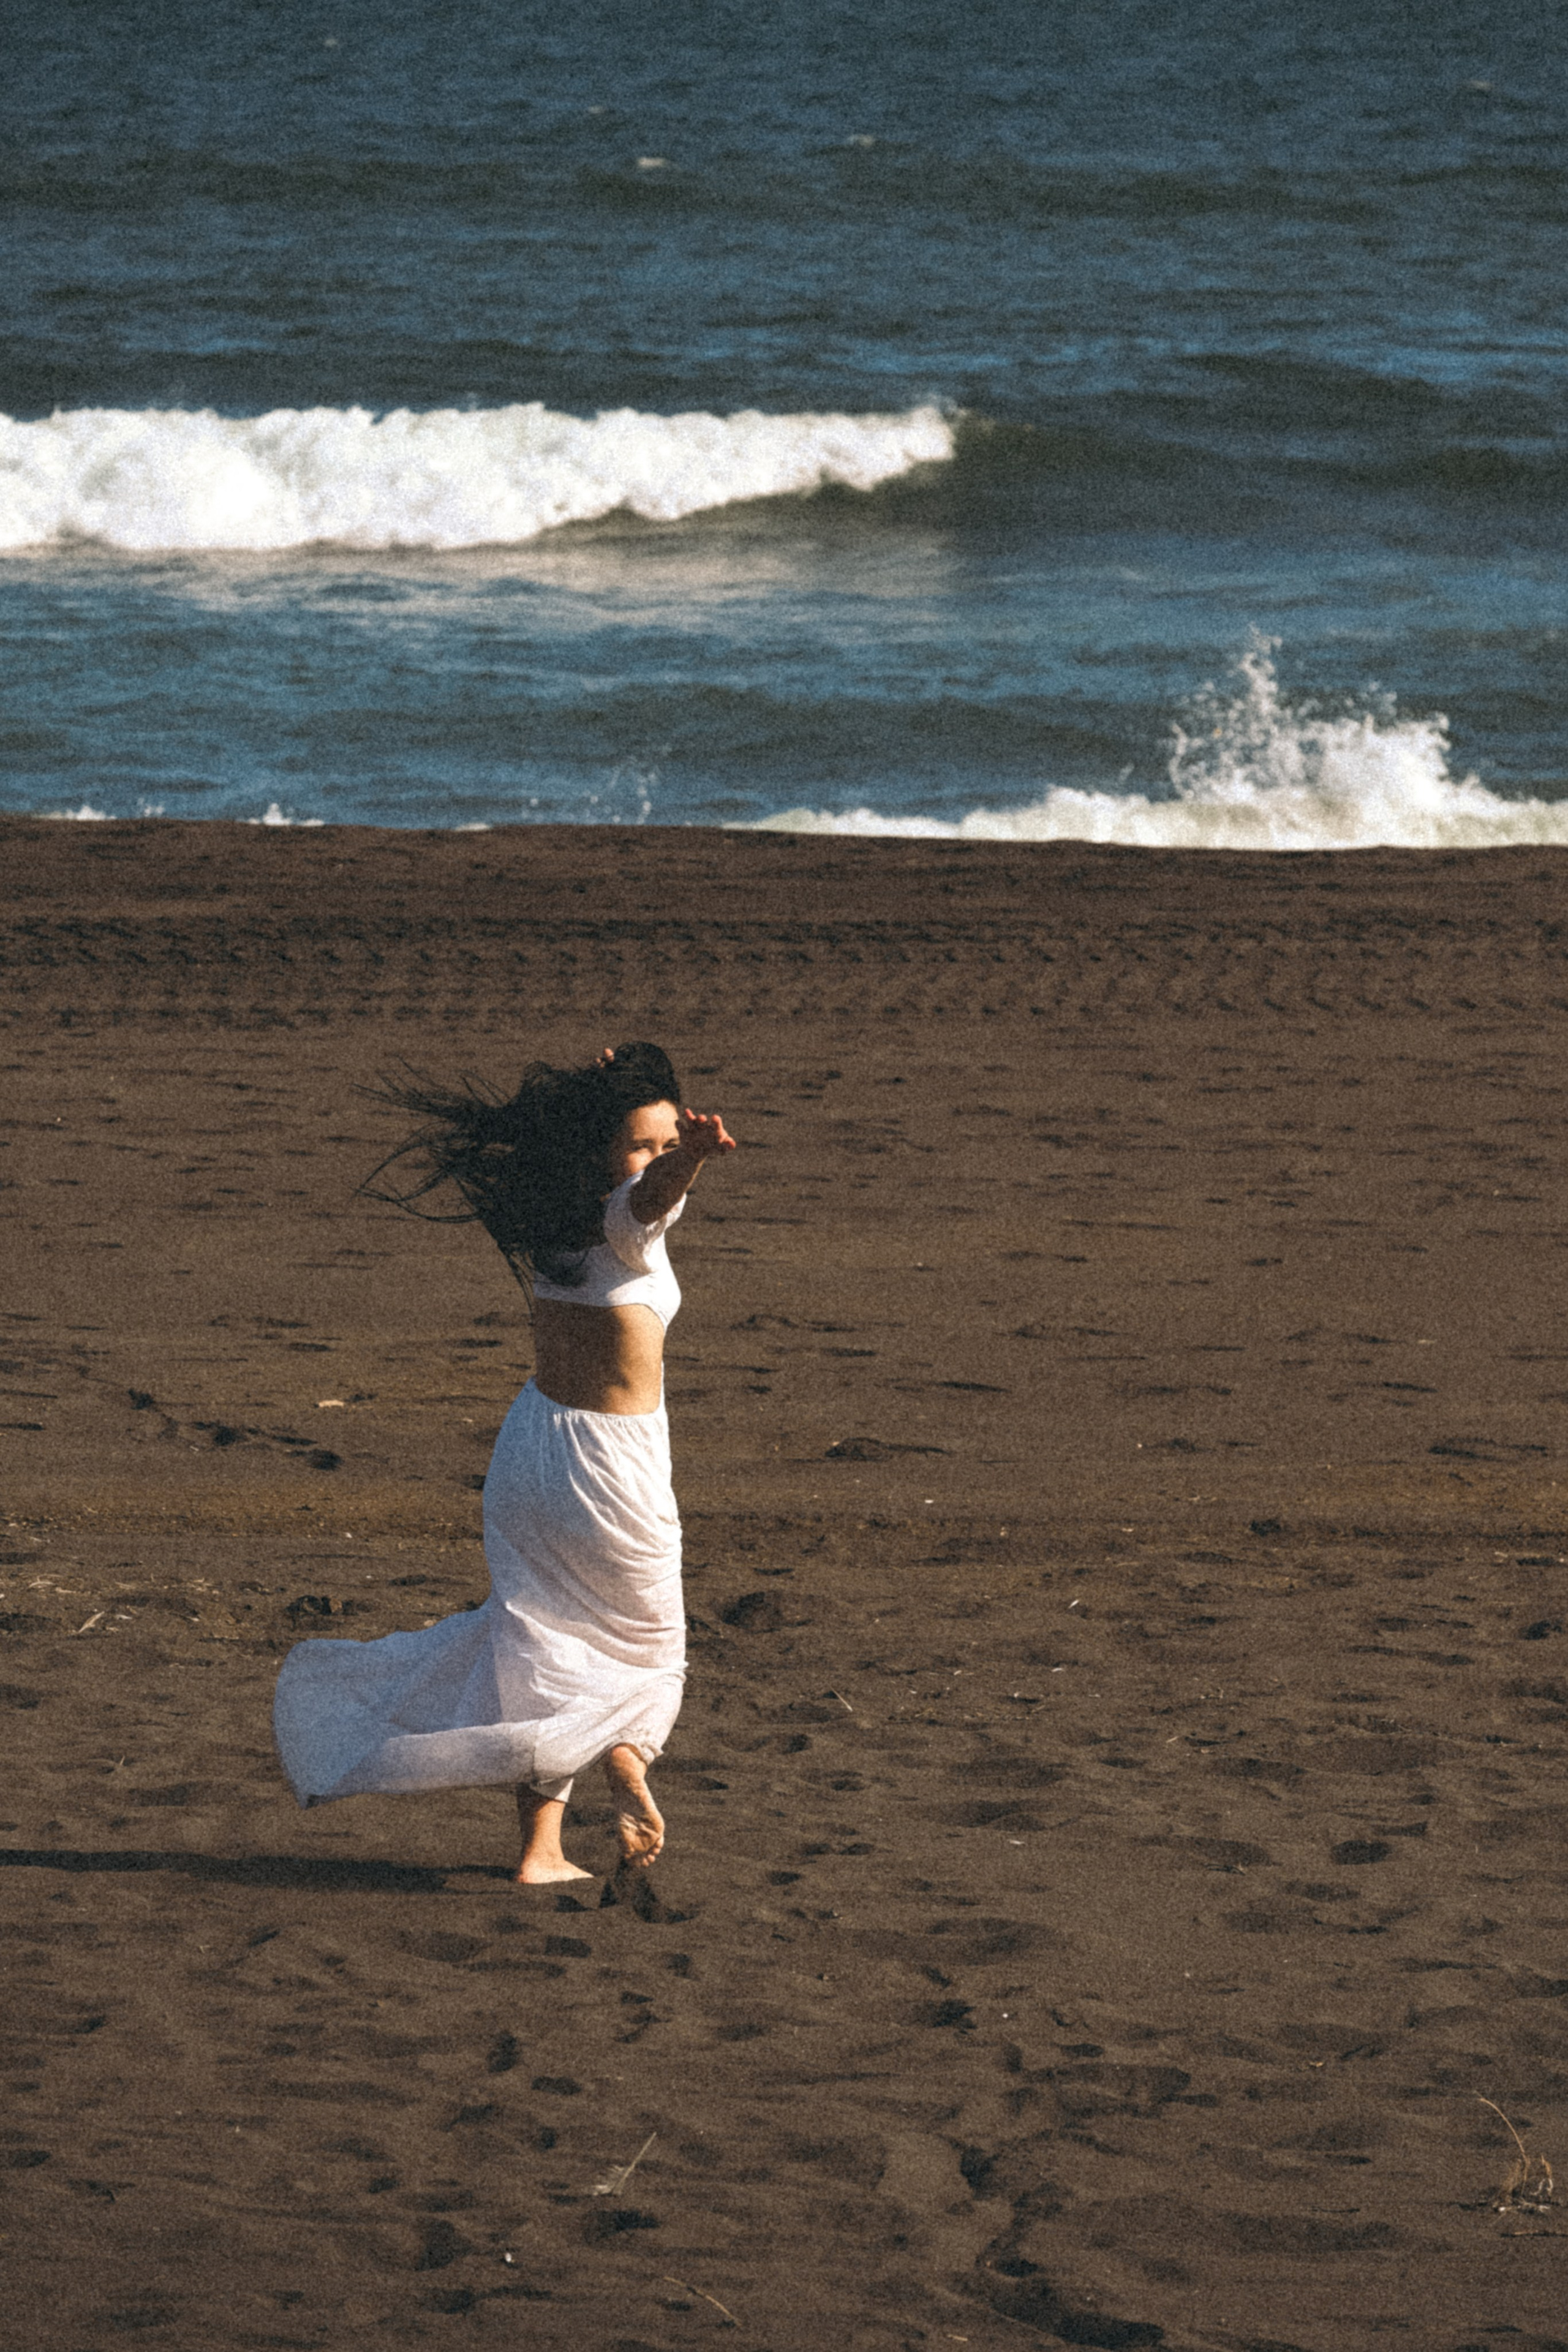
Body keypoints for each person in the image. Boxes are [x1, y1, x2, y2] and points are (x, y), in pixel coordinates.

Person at [271, 1042, 737, 1883]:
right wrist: (691, 1162)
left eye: (671, 1143)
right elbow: (650, 1203)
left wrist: (602, 1103)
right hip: (609, 1470)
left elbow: (634, 1189)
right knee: (652, 1648)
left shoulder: (552, 1223)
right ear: (604, 1157)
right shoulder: (625, 1220)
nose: (658, 1161)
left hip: (531, 1450)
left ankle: (541, 1851)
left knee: (540, 1641)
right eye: (645, 1144)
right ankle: (626, 1758)